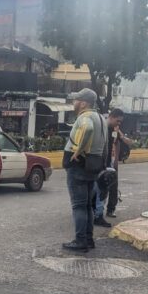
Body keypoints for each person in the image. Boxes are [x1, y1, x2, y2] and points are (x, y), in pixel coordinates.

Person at [62, 88, 107, 252]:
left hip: (79, 166)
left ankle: (80, 241)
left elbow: (87, 129)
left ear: (83, 103)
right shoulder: (101, 118)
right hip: (93, 165)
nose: (74, 103)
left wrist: (77, 151)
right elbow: (105, 145)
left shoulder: (85, 117)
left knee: (79, 206)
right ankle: (88, 239)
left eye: (76, 100)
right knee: (87, 205)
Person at [93, 108, 134, 225]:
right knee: (98, 189)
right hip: (98, 163)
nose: (119, 123)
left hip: (108, 163)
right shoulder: (101, 127)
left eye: (120, 122)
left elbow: (126, 142)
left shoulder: (113, 130)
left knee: (109, 188)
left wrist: (119, 133)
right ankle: (96, 213)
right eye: (118, 121)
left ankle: (106, 210)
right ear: (110, 117)